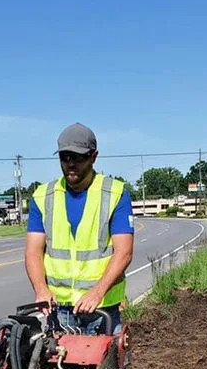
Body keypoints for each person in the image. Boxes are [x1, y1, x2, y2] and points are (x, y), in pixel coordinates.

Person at [25, 123, 134, 333]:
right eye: (65, 157)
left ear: (94, 156)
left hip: (102, 308)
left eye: (78, 157)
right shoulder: (42, 196)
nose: (71, 164)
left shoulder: (115, 193)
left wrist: (97, 292)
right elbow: (33, 251)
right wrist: (41, 290)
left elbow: (124, 252)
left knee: (107, 355)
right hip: (59, 309)